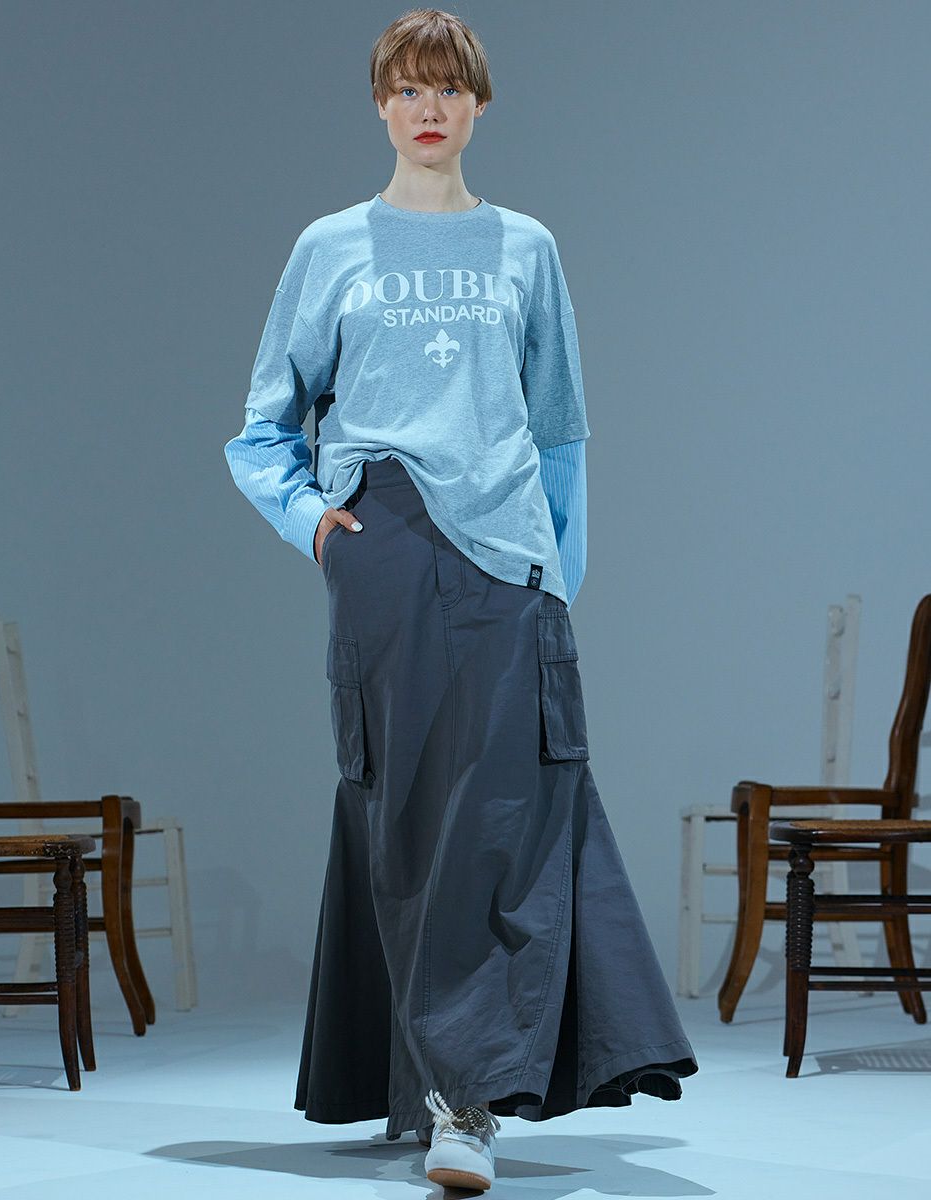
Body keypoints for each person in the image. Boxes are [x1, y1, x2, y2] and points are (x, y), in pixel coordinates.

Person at [224, 7, 698, 1192]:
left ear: (479, 104)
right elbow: (262, 429)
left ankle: (464, 1099)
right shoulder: (331, 246)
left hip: (508, 563)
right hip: (385, 550)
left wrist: (557, 573)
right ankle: (440, 1089)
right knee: (406, 816)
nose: (426, 108)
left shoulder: (525, 248)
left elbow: (559, 428)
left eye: (447, 88)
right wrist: (315, 527)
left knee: (508, 816)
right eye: (406, 88)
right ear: (379, 104)